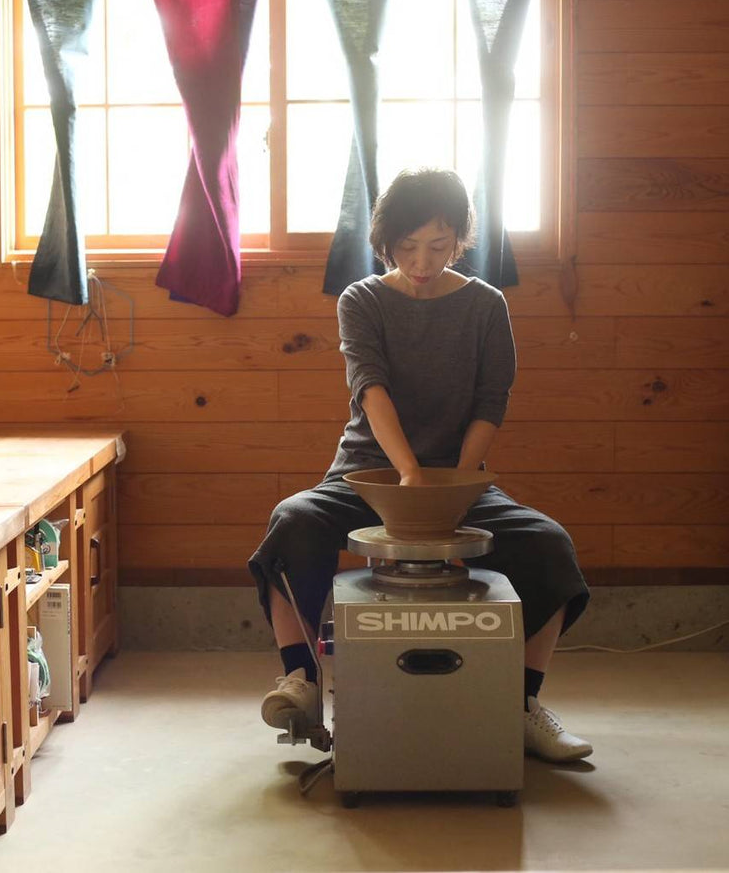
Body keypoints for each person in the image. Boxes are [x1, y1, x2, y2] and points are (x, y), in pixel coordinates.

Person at [247, 168, 592, 763]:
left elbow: (491, 400)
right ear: (386, 243)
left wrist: (453, 484)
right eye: (406, 247)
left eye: (437, 245)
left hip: (460, 475)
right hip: (368, 472)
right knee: (292, 522)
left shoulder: (486, 304)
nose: (422, 259)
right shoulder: (363, 299)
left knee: (549, 546)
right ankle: (302, 681)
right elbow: (370, 388)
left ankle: (521, 706)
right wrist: (408, 475)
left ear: (460, 238)